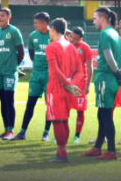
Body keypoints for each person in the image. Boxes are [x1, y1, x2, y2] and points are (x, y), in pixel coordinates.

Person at [81, 7, 121, 160]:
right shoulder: (115, 33)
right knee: (102, 114)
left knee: (105, 116)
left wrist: (117, 72)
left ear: (103, 19)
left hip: (106, 77)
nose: (93, 21)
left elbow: (109, 56)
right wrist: (119, 73)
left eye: (95, 18)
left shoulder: (104, 34)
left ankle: (111, 151)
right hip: (112, 79)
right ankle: (98, 147)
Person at [45, 18, 85, 163]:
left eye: (50, 29)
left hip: (56, 87)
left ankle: (62, 153)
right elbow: (80, 72)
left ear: (54, 29)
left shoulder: (51, 47)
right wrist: (72, 84)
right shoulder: (72, 47)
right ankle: (61, 151)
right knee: (65, 120)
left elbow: (55, 71)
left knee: (57, 120)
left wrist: (67, 84)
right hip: (68, 89)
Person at [12, 12, 51, 141]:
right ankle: (22, 132)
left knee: (49, 105)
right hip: (36, 75)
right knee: (30, 103)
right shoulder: (33, 36)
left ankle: (46, 132)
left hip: (50, 76)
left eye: (36, 23)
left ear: (44, 24)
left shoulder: (53, 36)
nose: (34, 25)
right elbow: (32, 53)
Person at [0, 7, 24, 140]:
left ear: (9, 17)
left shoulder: (14, 31)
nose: (0, 18)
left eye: (3, 16)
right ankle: (6, 130)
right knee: (2, 101)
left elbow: (21, 52)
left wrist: (15, 67)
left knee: (9, 100)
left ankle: (11, 131)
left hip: (10, 71)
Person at [68, 27, 93, 144]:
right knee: (64, 110)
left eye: (75, 38)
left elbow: (89, 67)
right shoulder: (65, 44)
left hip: (81, 82)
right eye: (71, 37)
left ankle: (77, 136)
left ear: (81, 39)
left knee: (80, 110)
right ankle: (62, 135)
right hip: (67, 81)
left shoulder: (85, 47)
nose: (72, 40)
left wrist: (88, 85)